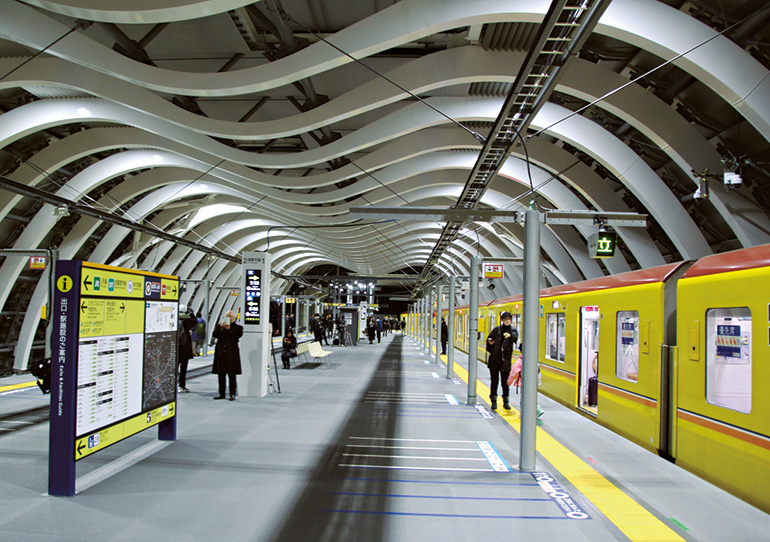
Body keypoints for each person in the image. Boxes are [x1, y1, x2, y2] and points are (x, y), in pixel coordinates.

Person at [485, 311, 518, 410]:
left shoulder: (512, 331)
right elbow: (489, 339)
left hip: (505, 362)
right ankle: (493, 400)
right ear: (502, 320)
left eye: (509, 319)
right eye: (505, 319)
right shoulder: (496, 330)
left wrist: (510, 336)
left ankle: (506, 401)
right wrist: (490, 342)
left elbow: (515, 337)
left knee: (505, 383)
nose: (507, 321)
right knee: (494, 382)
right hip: (495, 361)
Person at [211, 310, 243, 401]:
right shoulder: (219, 327)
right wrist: (221, 328)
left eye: (230, 317)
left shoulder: (238, 328)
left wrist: (229, 329)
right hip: (221, 353)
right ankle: (221, 393)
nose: (229, 319)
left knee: (232, 374)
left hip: (232, 354)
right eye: (227, 317)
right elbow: (215, 335)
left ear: (234, 318)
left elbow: (237, 335)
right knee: (221, 374)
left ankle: (232, 393)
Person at [507, 343, 544, 418]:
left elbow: (513, 373)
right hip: (534, 382)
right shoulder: (533, 359)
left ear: (520, 350)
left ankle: (526, 412)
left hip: (524, 383)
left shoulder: (519, 361)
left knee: (524, 398)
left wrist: (509, 382)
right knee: (532, 396)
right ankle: (536, 409)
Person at [177, 305, 195, 393]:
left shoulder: (174, 319)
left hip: (176, 348)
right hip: (184, 349)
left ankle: (171, 386)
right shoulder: (187, 321)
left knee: (174, 369)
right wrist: (191, 314)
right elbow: (194, 322)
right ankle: (181, 385)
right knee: (183, 369)